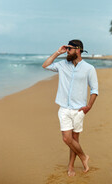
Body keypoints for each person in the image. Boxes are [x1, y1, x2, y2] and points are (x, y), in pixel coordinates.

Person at [42, 39, 98, 176]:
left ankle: (71, 166)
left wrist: (88, 107)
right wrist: (58, 52)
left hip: (79, 110)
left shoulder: (89, 69)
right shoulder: (62, 64)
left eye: (69, 49)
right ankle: (84, 157)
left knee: (74, 140)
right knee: (67, 139)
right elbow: (45, 65)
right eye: (66, 49)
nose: (67, 51)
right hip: (64, 109)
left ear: (78, 50)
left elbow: (94, 90)